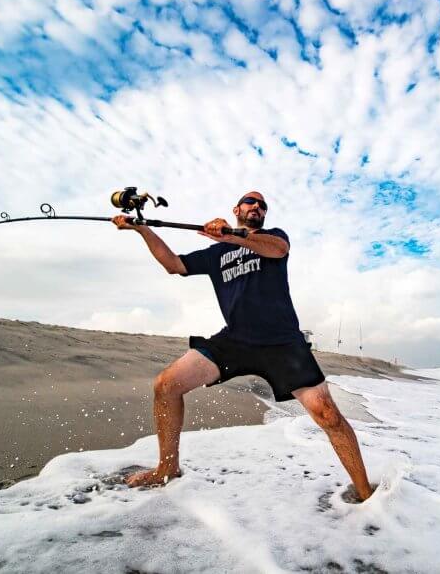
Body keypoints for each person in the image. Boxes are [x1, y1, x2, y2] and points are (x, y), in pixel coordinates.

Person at [112, 191, 374, 501]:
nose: (257, 207)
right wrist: (141, 229)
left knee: (328, 415)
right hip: (235, 339)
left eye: (263, 205)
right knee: (166, 385)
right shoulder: (216, 253)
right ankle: (166, 470)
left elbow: (278, 250)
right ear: (237, 208)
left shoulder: (271, 238)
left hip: (282, 343)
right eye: (251, 202)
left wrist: (235, 235)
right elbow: (174, 264)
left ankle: (366, 493)